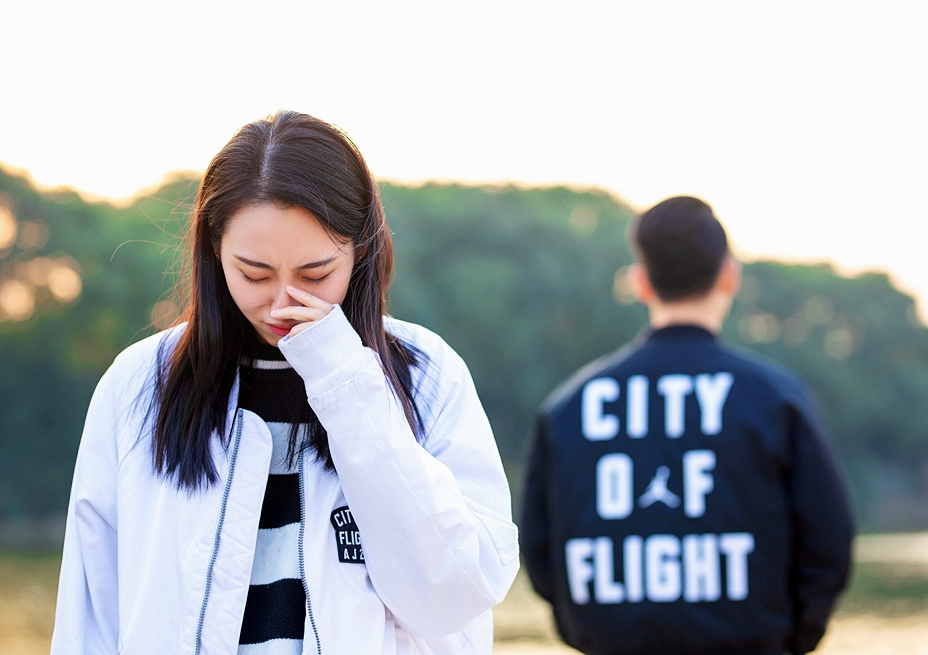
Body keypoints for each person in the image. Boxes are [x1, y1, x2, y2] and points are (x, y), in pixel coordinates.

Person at [50, 111, 519, 654]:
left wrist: (346, 381)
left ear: (359, 249)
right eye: (253, 274)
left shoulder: (424, 374)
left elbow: (455, 594)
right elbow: (91, 613)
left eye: (315, 275)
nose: (282, 305)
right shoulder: (141, 384)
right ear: (214, 248)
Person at [519, 196, 854, 655]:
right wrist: (790, 639)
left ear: (640, 282)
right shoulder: (776, 398)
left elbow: (539, 549)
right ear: (729, 276)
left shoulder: (567, 408)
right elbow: (828, 542)